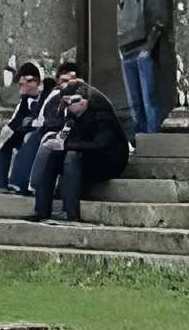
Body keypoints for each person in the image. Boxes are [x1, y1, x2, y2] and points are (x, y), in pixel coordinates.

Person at [26, 78, 128, 224]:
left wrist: (68, 146)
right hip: (85, 154)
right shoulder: (73, 114)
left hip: (109, 160)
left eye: (69, 102)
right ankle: (41, 210)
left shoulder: (102, 113)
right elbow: (71, 138)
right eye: (64, 103)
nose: (67, 107)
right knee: (52, 153)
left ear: (83, 101)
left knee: (71, 156)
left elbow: (102, 144)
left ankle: (71, 212)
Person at [113, 0, 171, 135]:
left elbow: (159, 19)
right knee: (135, 101)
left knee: (149, 98)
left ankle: (152, 136)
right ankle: (140, 136)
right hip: (128, 47)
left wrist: (148, 47)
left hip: (142, 47)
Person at [0, 63, 50, 195]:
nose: (20, 86)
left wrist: (30, 123)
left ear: (33, 82)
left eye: (22, 83)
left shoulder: (47, 96)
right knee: (5, 137)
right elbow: (16, 119)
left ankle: (20, 182)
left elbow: (46, 120)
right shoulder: (25, 99)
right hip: (27, 129)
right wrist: (8, 130)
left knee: (30, 138)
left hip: (43, 132)